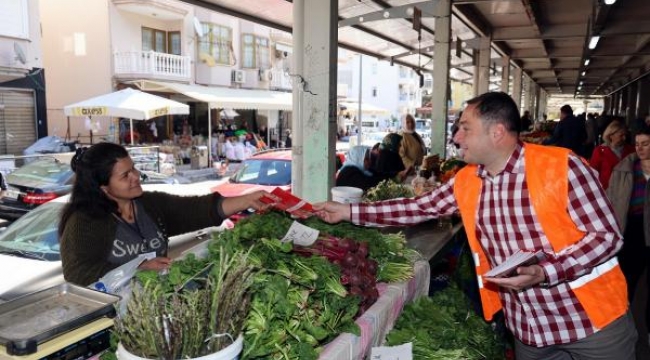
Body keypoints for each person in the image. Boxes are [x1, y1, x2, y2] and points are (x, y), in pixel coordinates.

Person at [314, 91, 636, 360]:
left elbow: (607, 237)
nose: (455, 137)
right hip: (529, 330)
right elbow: (415, 207)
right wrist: (348, 212)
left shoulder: (562, 166)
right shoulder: (467, 181)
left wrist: (545, 271)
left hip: (592, 325)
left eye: (465, 128)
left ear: (496, 132)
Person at [58, 142, 275, 286]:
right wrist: (137, 268)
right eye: (125, 175)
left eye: (133, 168)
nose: (136, 176)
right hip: (115, 316)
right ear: (103, 187)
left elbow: (197, 210)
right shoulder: (85, 221)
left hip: (156, 301)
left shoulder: (149, 204)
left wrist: (247, 199)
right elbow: (77, 275)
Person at [607, 126, 650, 347]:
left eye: (646, 144)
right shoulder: (623, 169)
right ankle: (622, 330)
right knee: (626, 284)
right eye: (638, 144)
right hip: (631, 232)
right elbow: (611, 200)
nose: (641, 148)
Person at [589, 120, 635, 189]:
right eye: (621, 135)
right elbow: (593, 172)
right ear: (611, 135)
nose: (624, 138)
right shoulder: (600, 151)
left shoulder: (631, 150)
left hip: (626, 190)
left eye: (625, 135)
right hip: (606, 190)